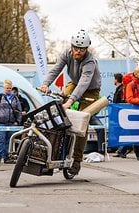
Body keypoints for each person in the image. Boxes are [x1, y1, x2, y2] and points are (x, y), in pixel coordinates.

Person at [40, 29, 101, 175]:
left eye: (82, 49)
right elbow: (56, 69)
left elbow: (84, 83)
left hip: (90, 91)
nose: (78, 52)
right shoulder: (66, 54)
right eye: (76, 48)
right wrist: (46, 84)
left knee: (82, 123)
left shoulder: (90, 61)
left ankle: (77, 160)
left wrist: (71, 100)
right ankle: (51, 152)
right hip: (73, 83)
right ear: (71, 46)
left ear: (86, 49)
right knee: (59, 108)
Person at [0, 80, 22, 164]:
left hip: (11, 123)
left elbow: (19, 110)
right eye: (7, 88)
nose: (8, 89)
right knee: (0, 140)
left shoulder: (15, 98)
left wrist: (17, 121)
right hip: (1, 122)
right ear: (4, 88)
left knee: (9, 141)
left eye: (10, 88)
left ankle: (6, 157)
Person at [112, 73, 133, 158]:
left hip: (122, 113)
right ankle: (124, 149)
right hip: (122, 112)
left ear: (116, 80)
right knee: (126, 131)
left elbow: (120, 101)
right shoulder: (121, 89)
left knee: (125, 131)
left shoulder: (121, 89)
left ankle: (122, 149)